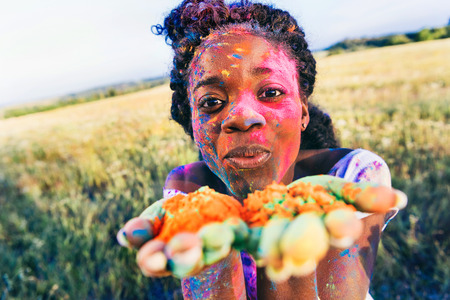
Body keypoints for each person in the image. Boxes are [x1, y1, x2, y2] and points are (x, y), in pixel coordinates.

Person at [121, 1, 398, 299]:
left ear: (303, 111)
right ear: (193, 123)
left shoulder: (352, 177)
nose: (242, 115)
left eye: (271, 92)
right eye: (211, 102)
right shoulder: (190, 191)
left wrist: (286, 233)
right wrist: (215, 256)